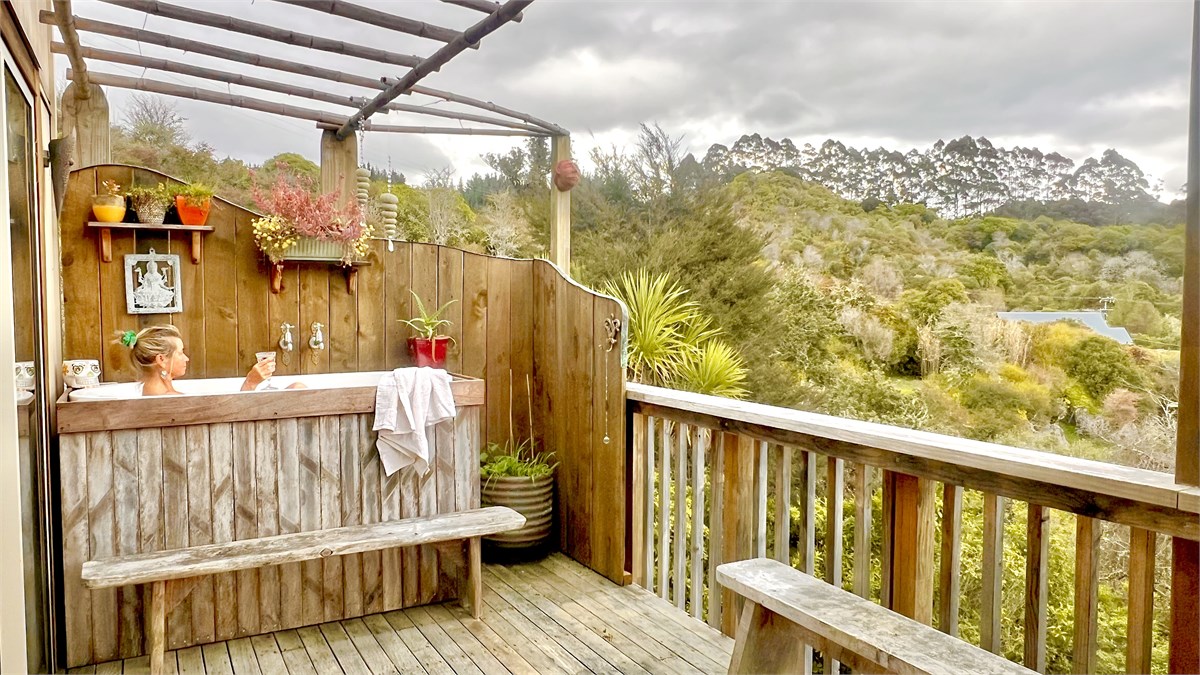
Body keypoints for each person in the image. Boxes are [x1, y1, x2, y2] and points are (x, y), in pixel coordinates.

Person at [117, 325, 298, 396]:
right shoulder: (167, 400)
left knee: (297, 387)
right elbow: (227, 423)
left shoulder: (154, 392)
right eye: (180, 353)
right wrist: (250, 383)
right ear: (162, 359)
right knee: (297, 388)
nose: (186, 358)